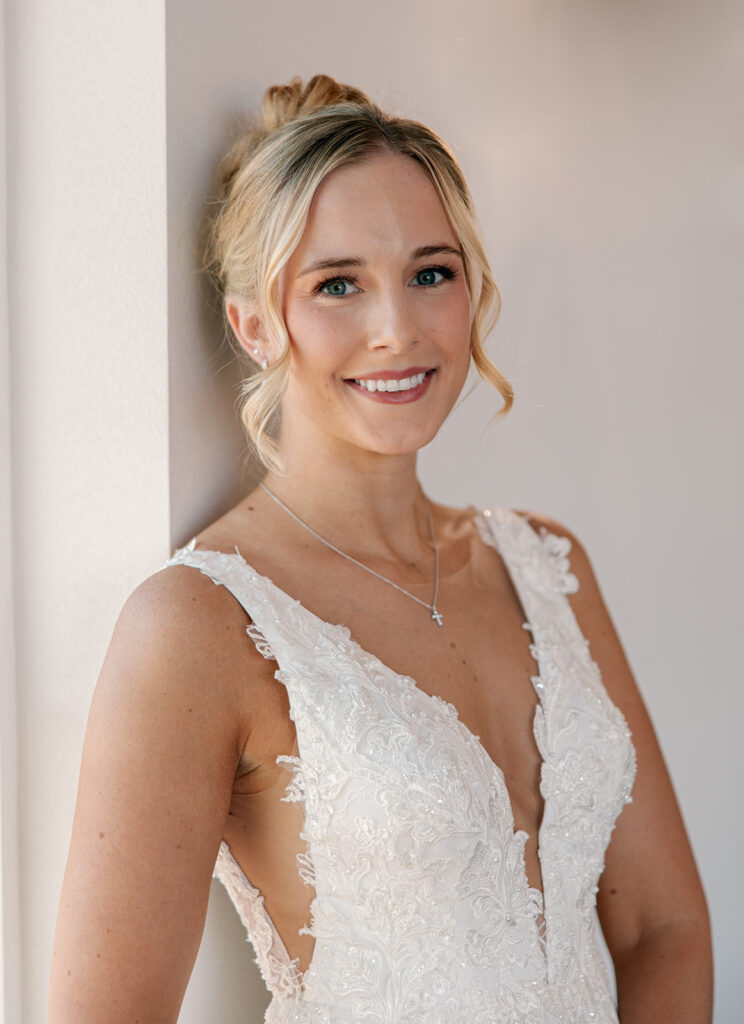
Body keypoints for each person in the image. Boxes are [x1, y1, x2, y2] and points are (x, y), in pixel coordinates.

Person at [48, 75, 712, 1024]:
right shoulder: (200, 624)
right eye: (338, 285)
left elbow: (661, 929)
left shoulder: (545, 564)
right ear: (254, 324)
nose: (398, 329)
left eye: (431, 273)